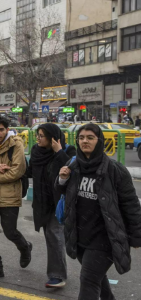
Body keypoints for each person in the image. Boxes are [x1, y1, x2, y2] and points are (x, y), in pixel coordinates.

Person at [57, 123, 141, 300]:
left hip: (105, 239)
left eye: (90, 137)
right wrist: (62, 179)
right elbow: (61, 192)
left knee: (88, 281)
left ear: (99, 141)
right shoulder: (73, 165)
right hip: (80, 236)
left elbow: (131, 204)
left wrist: (136, 235)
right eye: (81, 138)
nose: (84, 141)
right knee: (97, 278)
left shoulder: (115, 170)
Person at [0, 115, 32, 281]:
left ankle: (25, 247)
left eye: (1, 129)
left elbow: (17, 172)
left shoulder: (16, 145)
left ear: (7, 129)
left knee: (10, 232)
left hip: (9, 196)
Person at [26, 124, 76, 288]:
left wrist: (58, 152)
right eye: (38, 135)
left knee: (55, 236)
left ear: (53, 138)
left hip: (59, 202)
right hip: (42, 203)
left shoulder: (68, 152)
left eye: (42, 136)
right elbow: (30, 171)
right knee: (51, 236)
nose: (38, 138)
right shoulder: (36, 151)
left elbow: (70, 171)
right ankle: (59, 270)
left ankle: (57, 275)